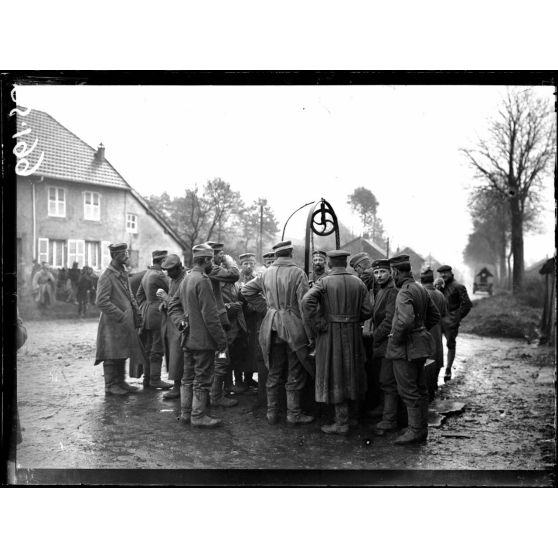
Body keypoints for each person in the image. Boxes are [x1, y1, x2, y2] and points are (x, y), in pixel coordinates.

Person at [242, 240, 314, 426]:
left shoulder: (266, 273)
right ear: (290, 253)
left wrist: (267, 308)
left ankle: (272, 413)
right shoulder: (298, 273)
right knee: (294, 372)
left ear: (277, 254)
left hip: (270, 326)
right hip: (293, 328)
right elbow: (305, 305)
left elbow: (246, 290)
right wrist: (310, 333)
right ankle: (293, 414)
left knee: (274, 372)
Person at [302, 249, 372, 434]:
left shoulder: (323, 282)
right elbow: (368, 310)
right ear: (346, 263)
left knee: (336, 372)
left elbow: (306, 302)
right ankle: (352, 418)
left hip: (330, 332)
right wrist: (354, 318)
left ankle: (341, 423)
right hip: (353, 333)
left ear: (330, 263)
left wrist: (319, 322)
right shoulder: (358, 282)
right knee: (352, 371)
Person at [168, 244, 227, 428]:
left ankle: (186, 414)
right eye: (212, 259)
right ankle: (198, 415)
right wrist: (221, 341)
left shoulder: (186, 279)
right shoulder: (202, 280)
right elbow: (211, 316)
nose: (213, 262)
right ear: (207, 260)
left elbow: (173, 306)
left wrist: (181, 323)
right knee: (202, 379)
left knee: (187, 378)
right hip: (203, 342)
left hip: (188, 339)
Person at [385, 254, 440, 444]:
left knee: (408, 390)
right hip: (421, 346)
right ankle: (421, 429)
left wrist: (398, 339)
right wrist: (420, 329)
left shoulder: (404, 292)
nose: (393, 276)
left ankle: (415, 430)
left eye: (393, 273)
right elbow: (435, 315)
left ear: (395, 272)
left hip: (406, 348)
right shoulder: (421, 288)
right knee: (421, 389)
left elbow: (405, 320)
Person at [94, 243, 145, 396]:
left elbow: (130, 296)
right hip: (112, 323)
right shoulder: (107, 276)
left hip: (124, 322)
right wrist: (120, 315)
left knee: (122, 351)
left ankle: (120, 382)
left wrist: (137, 313)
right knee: (111, 353)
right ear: (116, 256)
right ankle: (110, 385)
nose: (127, 256)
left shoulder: (122, 272)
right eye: (124, 254)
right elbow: (101, 301)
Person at [369, 259, 400, 435]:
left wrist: (375, 336)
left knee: (388, 381)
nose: (379, 276)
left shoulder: (392, 292)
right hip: (382, 342)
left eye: (382, 272)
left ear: (390, 273)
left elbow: (389, 321)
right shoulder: (381, 290)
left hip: (387, 342)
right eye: (376, 272)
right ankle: (383, 409)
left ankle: (390, 419)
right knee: (381, 377)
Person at [136, 250, 173, 389]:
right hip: (157, 314)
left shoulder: (147, 274)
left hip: (146, 313)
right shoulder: (159, 275)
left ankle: (147, 379)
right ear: (162, 261)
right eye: (166, 261)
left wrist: (147, 305)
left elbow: (139, 295)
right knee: (157, 347)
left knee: (148, 347)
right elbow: (174, 288)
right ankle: (155, 379)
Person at [436, 264, 472, 381]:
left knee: (450, 345)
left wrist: (457, 317)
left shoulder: (458, 286)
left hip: (450, 321)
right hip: (438, 321)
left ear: (451, 273)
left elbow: (467, 304)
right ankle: (435, 369)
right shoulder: (439, 286)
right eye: (441, 273)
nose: (443, 275)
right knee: (435, 345)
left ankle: (448, 369)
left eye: (445, 272)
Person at [159, 254, 187, 399]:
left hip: (180, 322)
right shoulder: (174, 279)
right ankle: (177, 384)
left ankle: (178, 386)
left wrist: (165, 298)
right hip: (171, 322)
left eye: (170, 270)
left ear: (179, 268)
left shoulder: (184, 280)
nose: (168, 274)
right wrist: (163, 304)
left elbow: (180, 304)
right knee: (172, 354)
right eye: (166, 271)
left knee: (178, 355)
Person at [420, 268, 448, 400]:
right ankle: (433, 387)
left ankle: (426, 391)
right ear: (432, 280)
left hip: (424, 329)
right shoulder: (440, 295)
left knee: (425, 360)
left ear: (421, 279)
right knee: (435, 357)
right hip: (437, 331)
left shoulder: (421, 293)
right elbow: (443, 314)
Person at [237, 252, 260, 391]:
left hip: (252, 319)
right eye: (246, 263)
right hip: (239, 318)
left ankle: (248, 378)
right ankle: (238, 381)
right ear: (241, 265)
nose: (249, 266)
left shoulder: (256, 278)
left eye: (251, 263)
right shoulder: (235, 278)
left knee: (251, 349)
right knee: (239, 350)